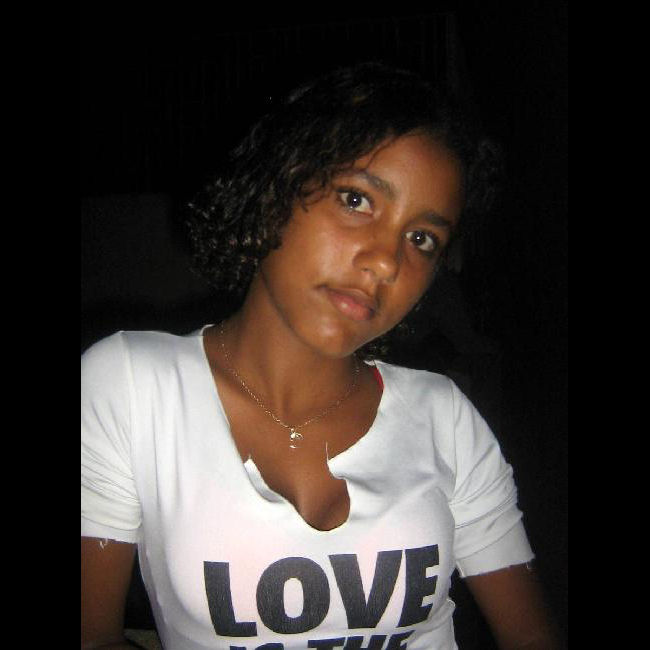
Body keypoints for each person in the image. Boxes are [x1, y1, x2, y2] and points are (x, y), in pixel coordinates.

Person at [81, 63, 561, 649]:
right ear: (275, 188)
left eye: (422, 239)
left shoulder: (444, 416)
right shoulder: (132, 386)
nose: (386, 261)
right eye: (357, 199)